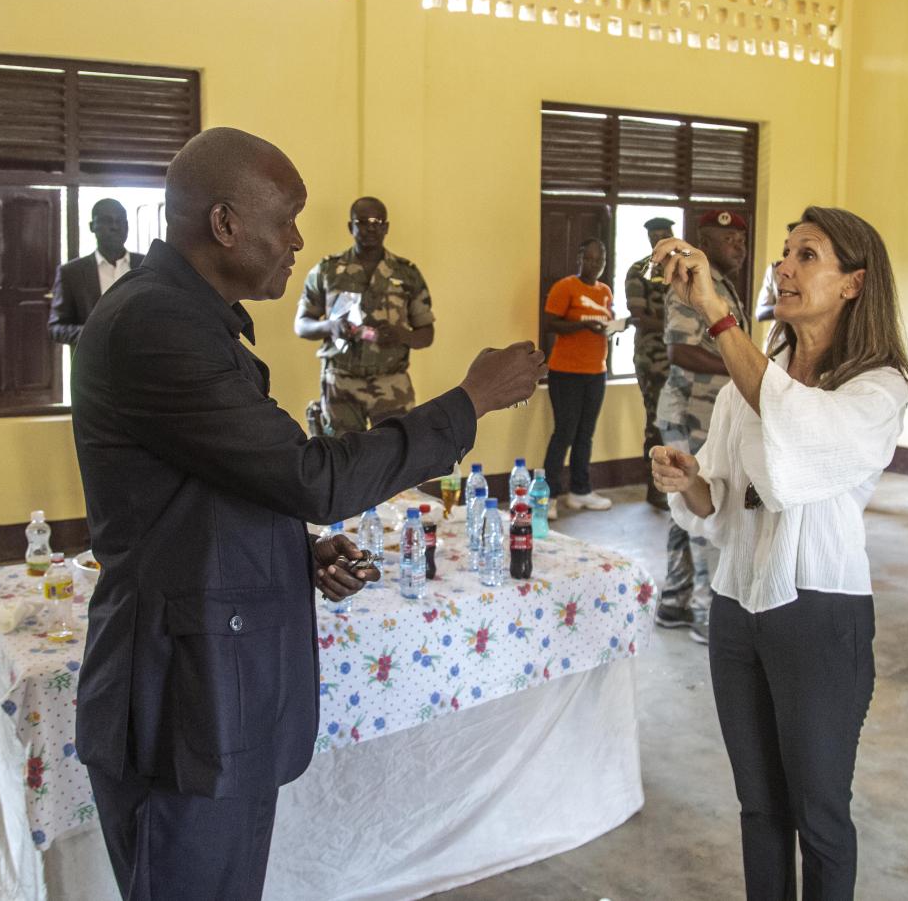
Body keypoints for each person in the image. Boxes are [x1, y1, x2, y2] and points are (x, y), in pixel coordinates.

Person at [71, 126, 544, 901]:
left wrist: (289, 549)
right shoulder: (156, 325)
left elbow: (211, 485)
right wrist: (471, 400)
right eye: (285, 219)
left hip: (213, 691)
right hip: (180, 702)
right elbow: (310, 475)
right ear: (225, 223)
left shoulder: (189, 316)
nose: (297, 240)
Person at [650, 206, 908, 900]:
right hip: (737, 604)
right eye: (785, 252)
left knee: (819, 814)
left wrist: (717, 315)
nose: (784, 266)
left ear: (854, 283)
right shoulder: (756, 377)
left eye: (807, 255)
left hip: (819, 613)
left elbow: (801, 435)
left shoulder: (879, 386)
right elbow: (720, 496)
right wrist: (690, 479)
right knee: (760, 807)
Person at [654, 209, 749, 638]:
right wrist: (742, 366)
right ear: (705, 245)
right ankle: (704, 611)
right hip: (692, 412)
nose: (739, 248)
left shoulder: (724, 287)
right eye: (729, 241)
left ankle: (675, 600)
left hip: (704, 411)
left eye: (742, 241)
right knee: (703, 503)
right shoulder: (693, 289)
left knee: (683, 504)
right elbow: (680, 351)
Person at [293, 197, 434, 435]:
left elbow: (427, 334)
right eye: (362, 222)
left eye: (377, 222)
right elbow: (301, 325)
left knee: (395, 452)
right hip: (341, 384)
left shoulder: (406, 274)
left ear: (386, 227)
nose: (370, 228)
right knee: (340, 454)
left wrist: (402, 335)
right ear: (351, 227)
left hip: (392, 385)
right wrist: (331, 326)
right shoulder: (327, 271)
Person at [542, 238, 615, 514]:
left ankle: (580, 491)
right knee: (565, 432)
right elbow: (550, 323)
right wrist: (584, 326)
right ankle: (547, 497)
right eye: (590, 259)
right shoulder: (565, 287)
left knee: (586, 434)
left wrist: (611, 327)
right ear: (580, 259)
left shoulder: (605, 291)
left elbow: (605, 321)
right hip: (566, 372)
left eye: (600, 260)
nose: (595, 265)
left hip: (596, 371)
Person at [625, 216, 676, 510]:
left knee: (680, 422)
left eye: (665, 234)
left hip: (684, 358)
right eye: (655, 236)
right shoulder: (639, 270)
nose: (661, 240)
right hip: (653, 358)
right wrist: (678, 328)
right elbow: (640, 317)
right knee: (657, 422)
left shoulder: (682, 269)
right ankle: (655, 488)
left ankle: (679, 487)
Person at [48, 199, 146, 345]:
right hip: (93, 358)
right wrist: (92, 334)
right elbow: (56, 328)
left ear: (127, 226)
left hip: (142, 356)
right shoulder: (71, 273)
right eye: (107, 221)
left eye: (120, 221)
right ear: (92, 226)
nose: (115, 226)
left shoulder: (146, 266)